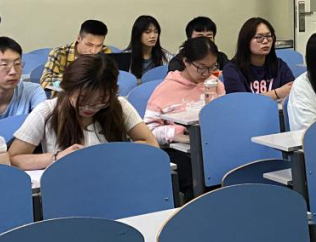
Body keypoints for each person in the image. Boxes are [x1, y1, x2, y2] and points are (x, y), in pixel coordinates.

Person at [9, 55, 157, 169]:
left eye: (100, 101)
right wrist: (58, 157)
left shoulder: (120, 105)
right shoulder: (47, 111)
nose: (89, 108)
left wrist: (112, 153)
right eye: (83, 100)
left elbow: (151, 144)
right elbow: (14, 158)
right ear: (68, 89)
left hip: (113, 178)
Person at [144, 37, 226, 200]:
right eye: (201, 68)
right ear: (186, 61)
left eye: (212, 67)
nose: (207, 73)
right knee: (196, 178)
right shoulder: (166, 89)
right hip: (176, 149)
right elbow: (148, 131)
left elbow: (225, 118)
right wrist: (177, 133)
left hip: (210, 146)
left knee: (228, 172)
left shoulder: (214, 84)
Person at [0, 37, 47, 126]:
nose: (13, 72)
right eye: (4, 65)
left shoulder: (33, 91)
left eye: (17, 64)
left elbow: (42, 121)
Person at [221, 18, 295, 100]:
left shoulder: (279, 65)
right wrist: (276, 93)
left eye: (268, 36)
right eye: (259, 37)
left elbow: (292, 90)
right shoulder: (232, 69)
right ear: (246, 40)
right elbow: (241, 101)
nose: (265, 41)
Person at [39, 19, 111, 91]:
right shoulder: (60, 53)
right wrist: (79, 78)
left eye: (99, 45)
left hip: (94, 96)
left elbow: (109, 81)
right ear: (79, 38)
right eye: (89, 45)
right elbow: (45, 80)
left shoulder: (105, 52)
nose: (93, 51)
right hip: (64, 96)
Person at [125, 15, 172, 80]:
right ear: (137, 34)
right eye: (147, 32)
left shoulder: (166, 57)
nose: (153, 36)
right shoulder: (125, 57)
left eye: (156, 32)